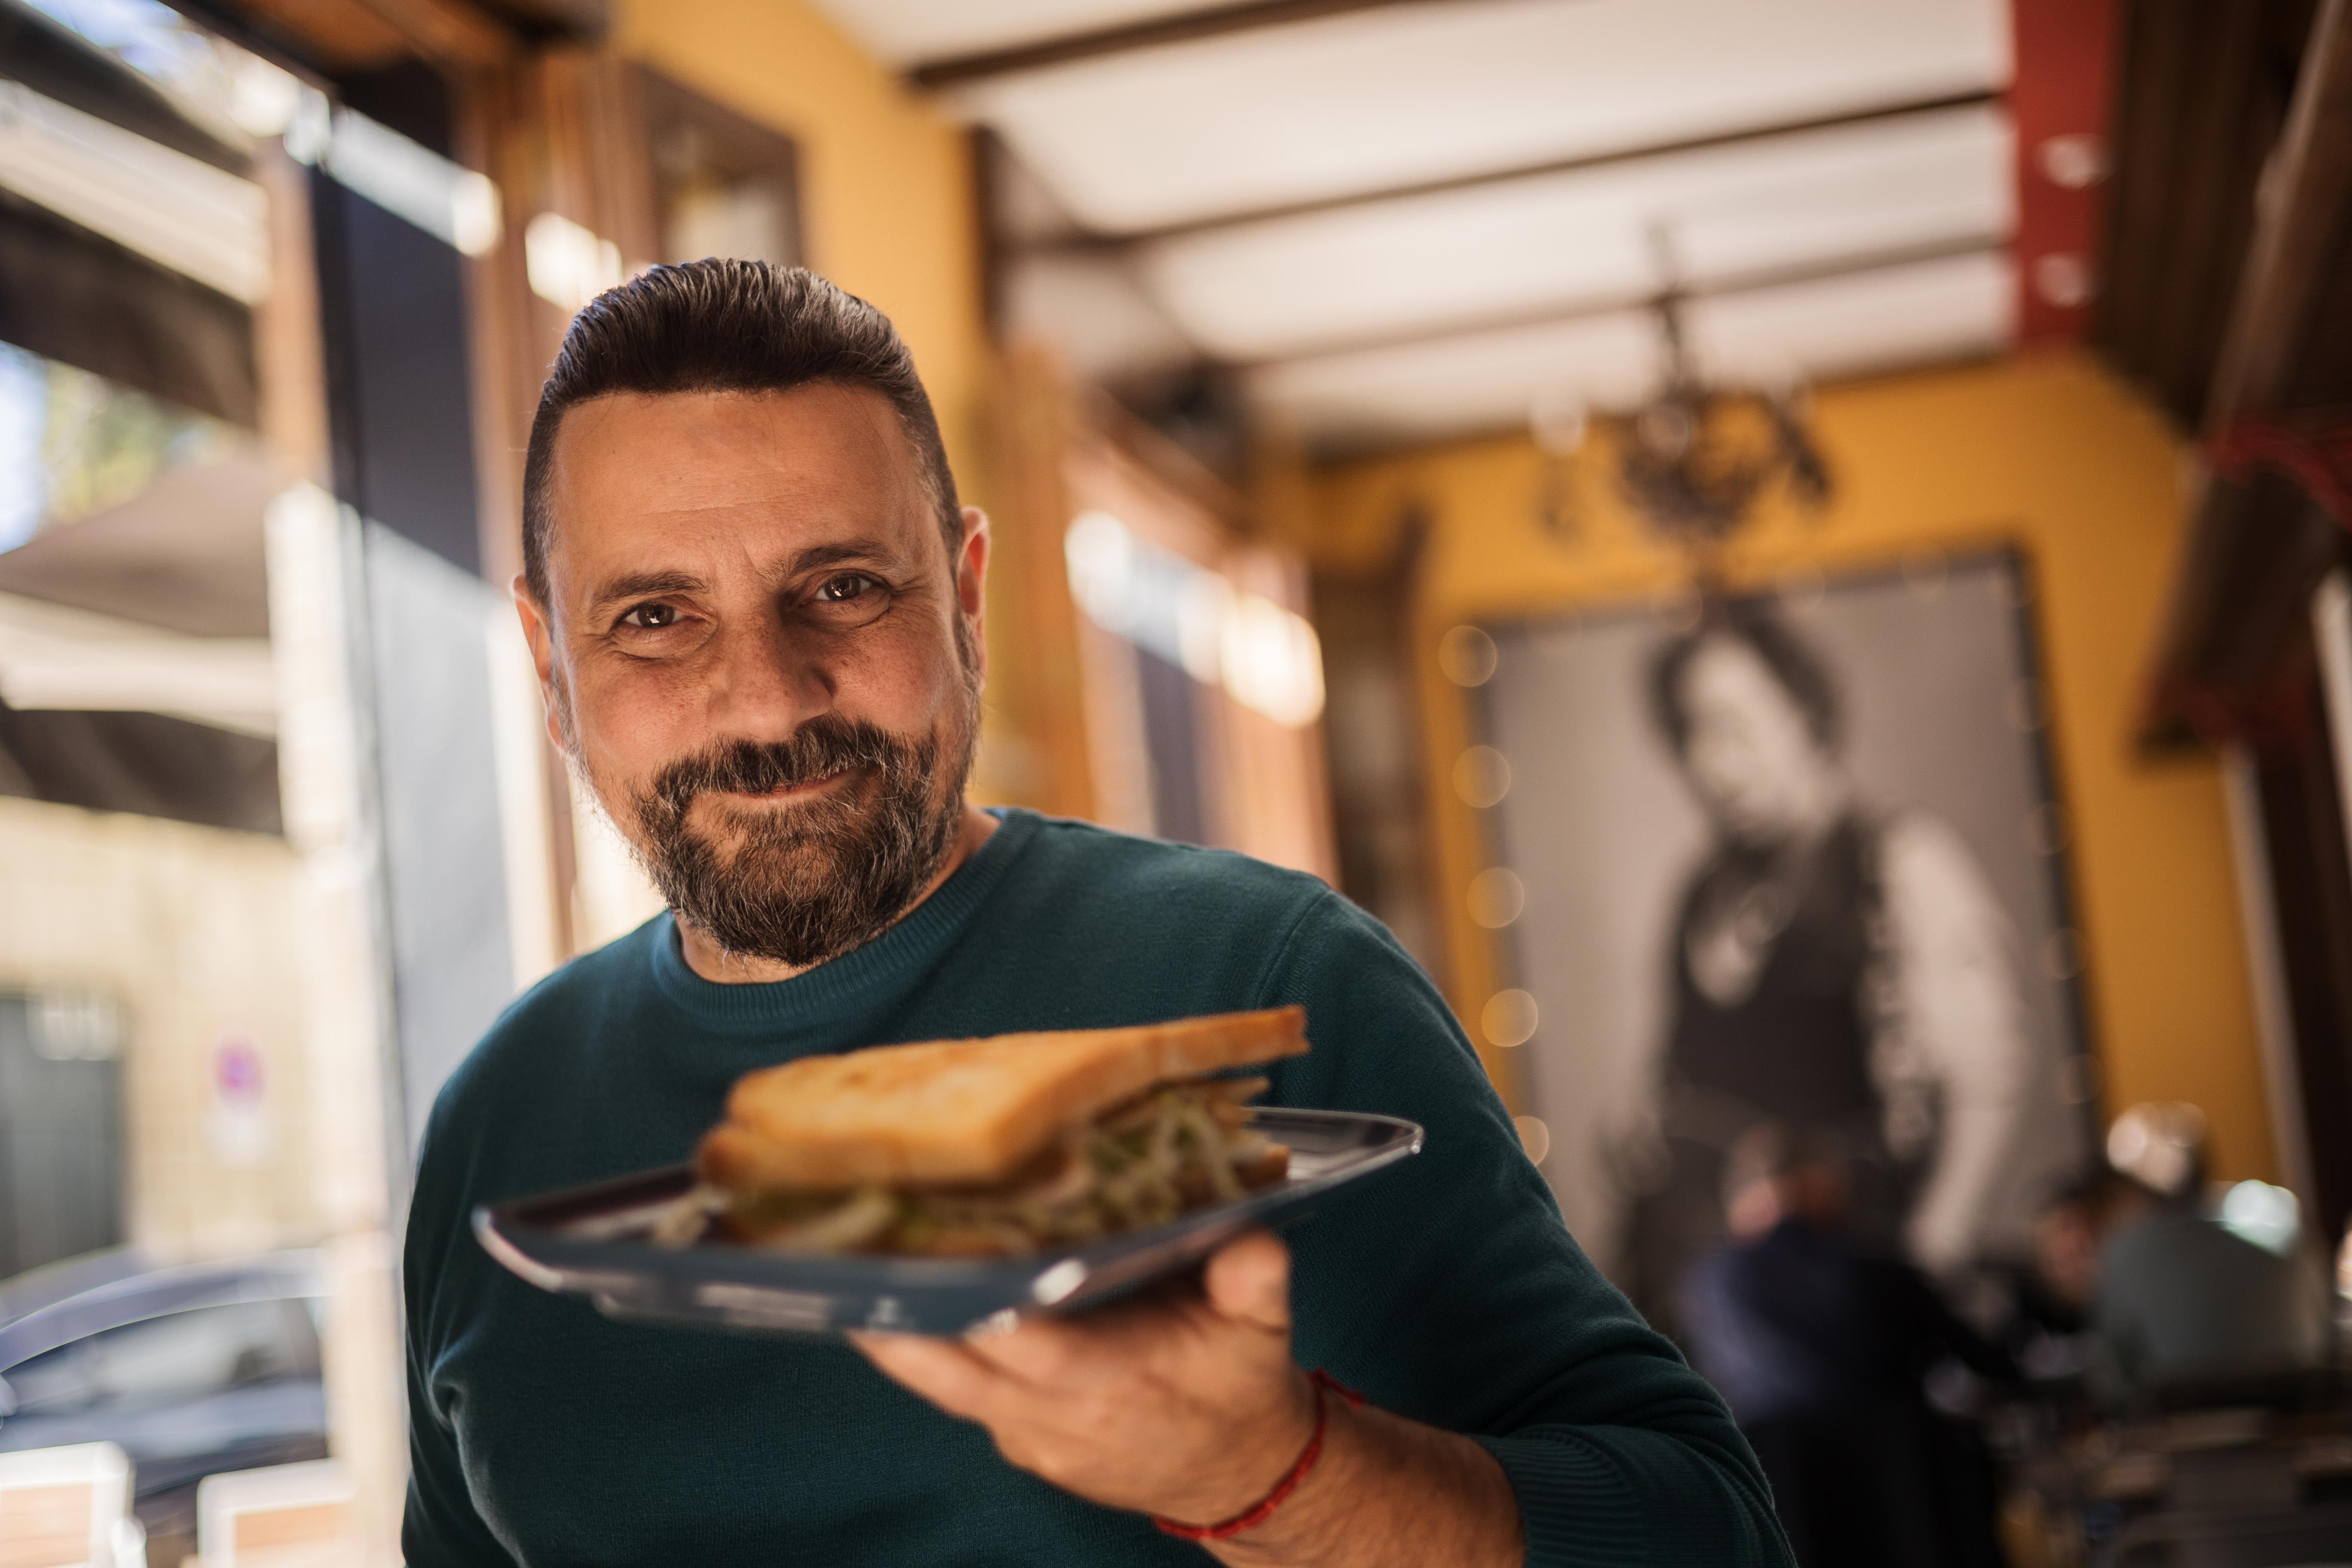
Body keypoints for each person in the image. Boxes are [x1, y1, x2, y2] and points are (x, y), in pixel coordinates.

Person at [400, 261, 1792, 1567]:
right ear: (549, 659)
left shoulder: (1266, 982)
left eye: (843, 588)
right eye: (655, 616)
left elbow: (1714, 1531)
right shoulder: (497, 1119)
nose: (767, 699)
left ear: (965, 598)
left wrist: (1279, 1478)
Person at [1620, 599, 2033, 1329]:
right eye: (1690, 735)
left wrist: (1927, 1258)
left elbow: (1982, 1086)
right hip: (1732, 1299)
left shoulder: (1899, 864)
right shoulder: (1702, 893)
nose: (1711, 765)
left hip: (1859, 1288)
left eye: (1733, 727)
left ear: (1803, 713)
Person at [1681, 1126, 2014, 1568]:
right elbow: (1983, 1360)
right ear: (1816, 1186)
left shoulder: (1708, 1290)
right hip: (1906, 1510)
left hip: (1779, 1515)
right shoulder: (1874, 1272)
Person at [2092, 1103, 2326, 1399]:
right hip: (2298, 1412)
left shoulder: (2126, 1252)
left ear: (2132, 1192)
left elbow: (2113, 1373)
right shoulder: (2283, 1216)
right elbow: (2323, 1327)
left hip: (2182, 1421)